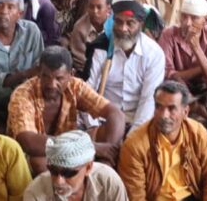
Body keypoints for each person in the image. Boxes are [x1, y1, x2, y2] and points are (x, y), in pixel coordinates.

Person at [7, 46, 125, 174]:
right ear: (39, 73)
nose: (51, 84)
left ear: (71, 75)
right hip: (34, 154)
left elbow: (116, 114)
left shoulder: (76, 86)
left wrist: (108, 154)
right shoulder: (23, 94)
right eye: (45, 76)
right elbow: (28, 142)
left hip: (69, 148)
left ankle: (100, 171)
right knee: (39, 162)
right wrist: (90, 147)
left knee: (108, 133)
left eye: (59, 78)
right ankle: (73, 179)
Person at [118, 81, 207, 201]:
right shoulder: (135, 145)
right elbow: (135, 195)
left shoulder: (197, 133)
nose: (164, 115)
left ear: (185, 112)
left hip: (193, 196)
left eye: (171, 108)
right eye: (158, 107)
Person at [82, 0, 165, 131]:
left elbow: (148, 100)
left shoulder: (154, 54)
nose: (123, 29)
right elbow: (88, 92)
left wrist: (134, 135)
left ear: (141, 25)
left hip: (137, 118)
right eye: (118, 22)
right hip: (104, 117)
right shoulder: (101, 47)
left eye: (130, 23)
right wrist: (93, 127)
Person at [22, 130, 128, 201]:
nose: (59, 181)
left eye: (68, 173)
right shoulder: (35, 194)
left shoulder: (108, 182)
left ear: (88, 167)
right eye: (53, 171)